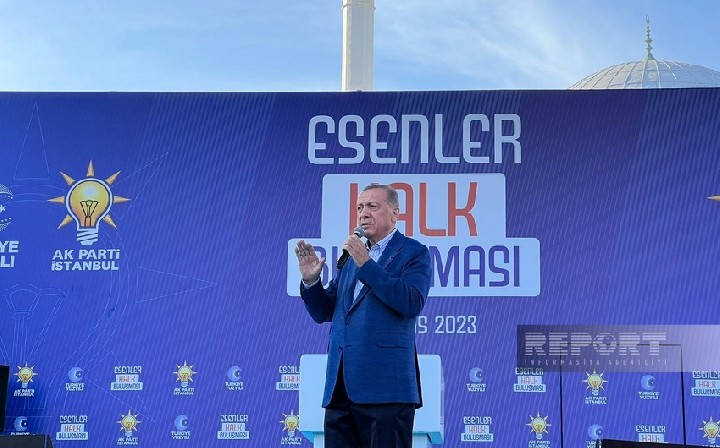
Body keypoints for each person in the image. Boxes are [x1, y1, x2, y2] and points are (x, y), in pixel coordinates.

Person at [295, 183, 432, 448]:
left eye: (372, 206)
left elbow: (411, 302)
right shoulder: (352, 258)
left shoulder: (413, 252)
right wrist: (311, 281)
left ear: (395, 213)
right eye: (359, 207)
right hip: (341, 389)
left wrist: (366, 264)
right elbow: (325, 311)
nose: (363, 213)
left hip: (386, 389)